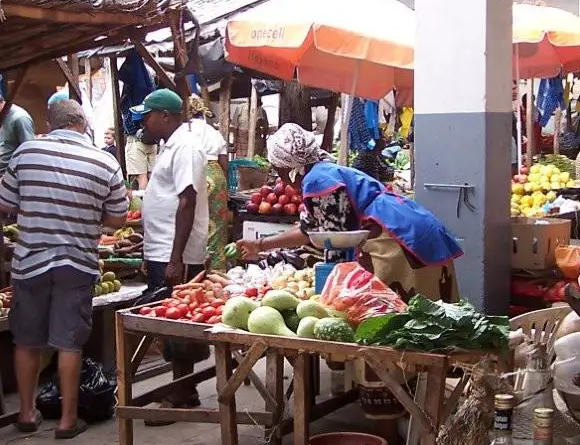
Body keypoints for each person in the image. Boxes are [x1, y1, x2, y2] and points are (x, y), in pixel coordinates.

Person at [0, 98, 129, 440]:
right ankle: (68, 421)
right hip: (78, 261)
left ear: (50, 123)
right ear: (82, 124)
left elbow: (5, 205)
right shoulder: (104, 161)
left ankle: (27, 413)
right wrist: (88, 215)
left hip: (31, 261)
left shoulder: (25, 154)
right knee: (69, 342)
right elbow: (117, 219)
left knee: (26, 340)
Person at [236, 123, 462, 301]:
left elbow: (335, 241)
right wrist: (260, 246)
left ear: (287, 166)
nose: (278, 175)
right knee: (430, 316)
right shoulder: (322, 173)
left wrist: (332, 291)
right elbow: (309, 230)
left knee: (398, 317)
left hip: (397, 240)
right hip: (414, 225)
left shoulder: (317, 182)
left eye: (276, 168)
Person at [134, 88, 210, 420]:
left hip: (174, 251)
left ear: (164, 116)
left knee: (177, 320)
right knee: (170, 321)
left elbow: (187, 200)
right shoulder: (173, 147)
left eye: (147, 115)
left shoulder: (186, 148)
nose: (144, 122)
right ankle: (184, 389)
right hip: (163, 248)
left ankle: (181, 392)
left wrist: (175, 257)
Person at [187, 94, 233, 270]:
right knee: (216, 224)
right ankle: (215, 269)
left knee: (192, 221)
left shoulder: (184, 131)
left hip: (193, 171)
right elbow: (224, 163)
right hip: (215, 174)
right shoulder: (213, 132)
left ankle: (193, 268)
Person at [0, 95, 36, 172]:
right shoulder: (1, 117)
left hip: (12, 172)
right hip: (0, 170)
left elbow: (29, 150)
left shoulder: (20, 119)